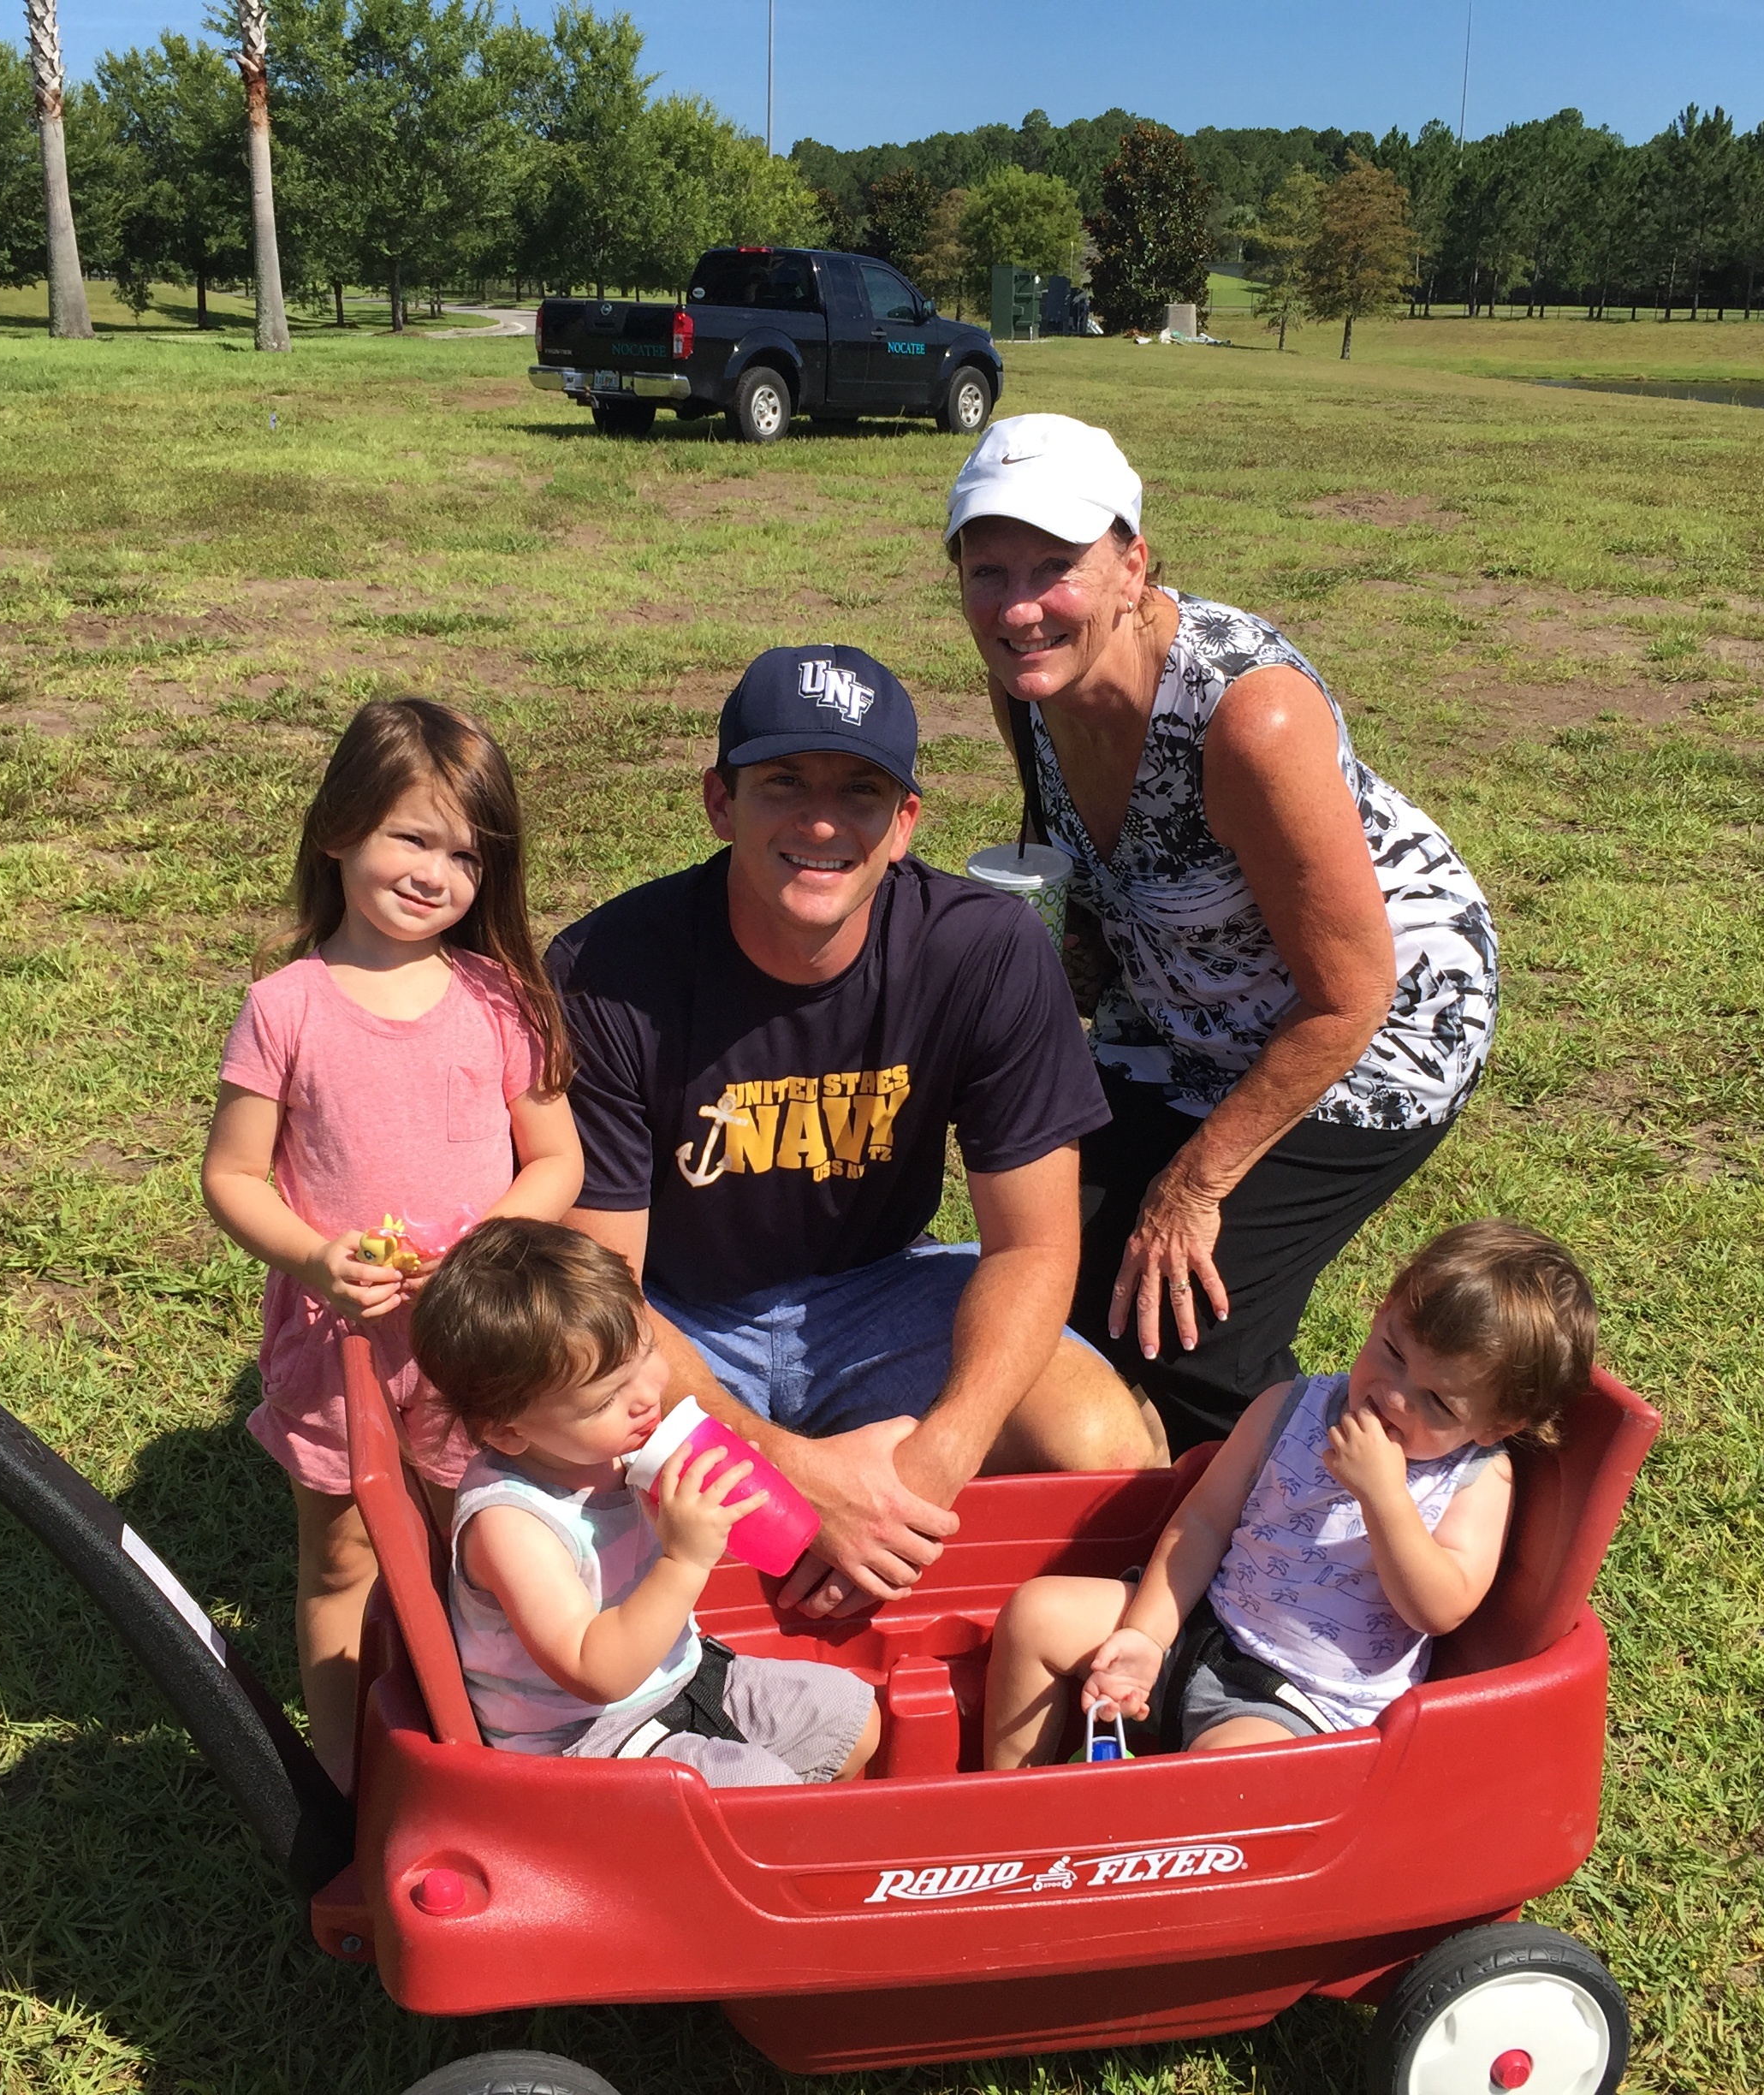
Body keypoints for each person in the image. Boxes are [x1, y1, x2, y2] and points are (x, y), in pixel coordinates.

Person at [547, 644, 1161, 1624]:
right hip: (671, 1314)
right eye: (784, 783)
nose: (822, 822)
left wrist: (930, 1463)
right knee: (543, 1526)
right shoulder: (606, 971)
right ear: (720, 802)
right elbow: (601, 1290)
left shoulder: (983, 949)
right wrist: (789, 1476)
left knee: (1108, 1449)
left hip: (878, 1292)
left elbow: (1035, 1243)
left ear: (905, 822)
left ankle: (1023, 1680)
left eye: (861, 791)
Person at [945, 414, 1500, 1453]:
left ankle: (1299, 1544)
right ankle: (1112, 1496)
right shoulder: (1031, 681)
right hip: (1175, 1003)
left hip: (1371, 1026)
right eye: (988, 571)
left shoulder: (1251, 718)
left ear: (1131, 564)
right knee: (1048, 1261)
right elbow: (1074, 872)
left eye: (1056, 567)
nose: (1019, 607)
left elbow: (1349, 995)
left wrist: (1191, 1187)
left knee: (1189, 1321)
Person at [201, 699, 583, 1785]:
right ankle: (348, 1779)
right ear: (339, 831)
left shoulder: (499, 999)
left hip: (478, 1342)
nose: (437, 873)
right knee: (344, 1557)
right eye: (413, 837)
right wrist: (318, 1257)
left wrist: (488, 1250)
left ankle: (495, 1750)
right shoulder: (286, 1008)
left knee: (490, 1542)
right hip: (344, 1342)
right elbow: (231, 1175)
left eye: (466, 854)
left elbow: (557, 1162)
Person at [982, 1221, 1594, 1767]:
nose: (1394, 1395)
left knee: (1224, 1772)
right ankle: (1009, 1808)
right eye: (1392, 1352)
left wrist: (1384, 1498)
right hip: (1203, 1628)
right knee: (1038, 1616)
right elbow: (1202, 1524)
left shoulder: (1474, 1479)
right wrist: (1146, 1636)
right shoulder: (1290, 1408)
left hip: (1297, 1706)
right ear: (1381, 1313)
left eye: (1437, 1401)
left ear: (1496, 1426)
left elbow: (1439, 1608)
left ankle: (1140, 1861)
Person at [416, 1219, 882, 1784]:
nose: (646, 1396)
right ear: (509, 1433)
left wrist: (733, 1494)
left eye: (646, 1355)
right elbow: (594, 1671)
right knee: (760, 1792)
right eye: (606, 1398)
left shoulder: (615, 1450)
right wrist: (683, 1561)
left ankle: (762, 1841)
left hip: (678, 1674)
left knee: (850, 1717)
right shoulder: (512, 1524)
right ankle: (728, 1857)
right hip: (583, 1742)